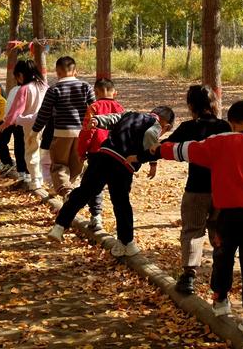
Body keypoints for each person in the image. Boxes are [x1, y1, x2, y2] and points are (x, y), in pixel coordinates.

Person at [138, 100, 243, 338]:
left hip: (228, 214)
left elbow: (186, 149)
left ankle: (221, 301)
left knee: (223, 256)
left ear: (231, 123)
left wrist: (158, 150)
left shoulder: (220, 142)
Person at [47, 106, 175, 258]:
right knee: (121, 203)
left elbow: (113, 118)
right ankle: (126, 242)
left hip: (103, 156)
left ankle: (60, 225)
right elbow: (150, 135)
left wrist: (97, 120)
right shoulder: (154, 125)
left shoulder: (130, 114)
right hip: (123, 164)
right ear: (166, 125)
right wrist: (152, 162)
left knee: (85, 191)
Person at [154, 85, 230, 294]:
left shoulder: (188, 127)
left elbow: (164, 147)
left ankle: (188, 276)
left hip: (196, 188)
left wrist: (140, 156)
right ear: (213, 103)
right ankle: (221, 272)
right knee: (220, 231)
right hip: (222, 190)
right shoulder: (225, 126)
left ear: (190, 106)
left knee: (192, 231)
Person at [30, 56, 95, 195]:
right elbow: (95, 108)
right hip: (81, 133)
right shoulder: (86, 87)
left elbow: (44, 113)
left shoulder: (54, 89)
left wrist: (35, 131)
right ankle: (70, 189)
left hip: (61, 133)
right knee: (76, 165)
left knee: (59, 164)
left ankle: (66, 191)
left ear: (57, 72)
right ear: (75, 71)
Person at [77, 77, 124, 231]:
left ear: (95, 92)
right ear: (115, 92)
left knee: (95, 185)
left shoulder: (93, 108)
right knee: (116, 187)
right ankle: (121, 221)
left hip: (96, 152)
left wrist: (81, 151)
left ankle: (96, 216)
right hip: (116, 153)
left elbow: (87, 132)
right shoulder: (120, 108)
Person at [0, 60, 48, 189]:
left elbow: (16, 110)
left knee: (31, 151)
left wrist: (6, 123)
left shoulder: (24, 89)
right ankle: (43, 177)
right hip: (46, 124)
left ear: (20, 75)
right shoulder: (44, 86)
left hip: (30, 125)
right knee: (43, 151)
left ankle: (35, 179)